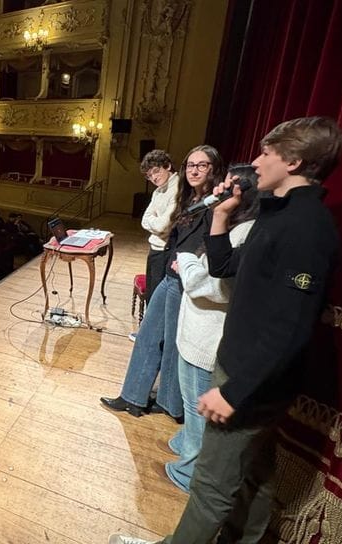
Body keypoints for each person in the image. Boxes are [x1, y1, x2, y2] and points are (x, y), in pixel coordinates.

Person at [110, 116, 342, 544]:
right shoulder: (278, 215)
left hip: (249, 379)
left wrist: (233, 391)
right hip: (246, 371)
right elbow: (222, 266)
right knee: (255, 476)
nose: (255, 162)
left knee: (210, 487)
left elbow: (291, 327)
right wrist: (220, 214)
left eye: (266, 153)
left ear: (293, 161)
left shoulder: (306, 228)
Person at [101, 145, 223, 421]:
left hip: (186, 278)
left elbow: (203, 240)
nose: (194, 170)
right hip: (171, 271)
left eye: (201, 165)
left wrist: (189, 263)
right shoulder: (188, 196)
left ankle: (169, 404)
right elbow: (160, 225)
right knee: (148, 335)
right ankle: (132, 397)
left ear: (213, 169)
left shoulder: (215, 203)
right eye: (190, 165)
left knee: (171, 343)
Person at [164, 164, 259, 493]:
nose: (218, 189)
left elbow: (214, 287)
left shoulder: (246, 233)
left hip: (207, 339)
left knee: (197, 409)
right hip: (197, 333)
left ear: (242, 194)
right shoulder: (235, 226)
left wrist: (187, 262)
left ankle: (189, 472)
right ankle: (185, 447)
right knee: (191, 405)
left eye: (227, 185)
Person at [138, 150, 180, 305]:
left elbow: (163, 226)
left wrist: (154, 222)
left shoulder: (178, 188)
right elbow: (144, 219)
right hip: (155, 247)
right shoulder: (158, 190)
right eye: (149, 176)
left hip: (166, 250)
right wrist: (154, 222)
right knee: (151, 295)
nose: (153, 178)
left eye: (156, 171)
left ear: (167, 166)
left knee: (157, 299)